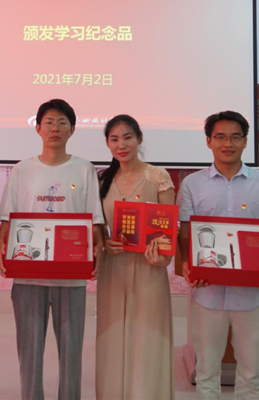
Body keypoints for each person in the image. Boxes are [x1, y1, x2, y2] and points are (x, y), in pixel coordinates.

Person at [0, 99, 105, 400]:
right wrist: (2, 246)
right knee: (29, 353)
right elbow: (7, 218)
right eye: (49, 122)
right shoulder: (22, 169)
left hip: (71, 277)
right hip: (28, 276)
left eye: (62, 123)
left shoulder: (84, 169)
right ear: (38, 128)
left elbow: (94, 218)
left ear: (72, 129)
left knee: (71, 353)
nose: (55, 128)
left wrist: (97, 249)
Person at [176, 110, 259, 400]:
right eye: (221, 137)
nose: (228, 144)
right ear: (209, 141)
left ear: (245, 141)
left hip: (253, 296)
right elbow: (186, 234)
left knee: (251, 373)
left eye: (235, 137)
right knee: (206, 371)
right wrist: (187, 265)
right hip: (207, 293)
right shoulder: (192, 184)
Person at [95, 115, 175, 400]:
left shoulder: (158, 177)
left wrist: (162, 258)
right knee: (112, 334)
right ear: (107, 144)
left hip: (149, 267)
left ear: (139, 139)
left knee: (147, 336)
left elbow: (169, 229)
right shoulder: (102, 179)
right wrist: (105, 243)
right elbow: (97, 227)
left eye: (127, 137)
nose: (122, 145)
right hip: (113, 267)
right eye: (114, 139)